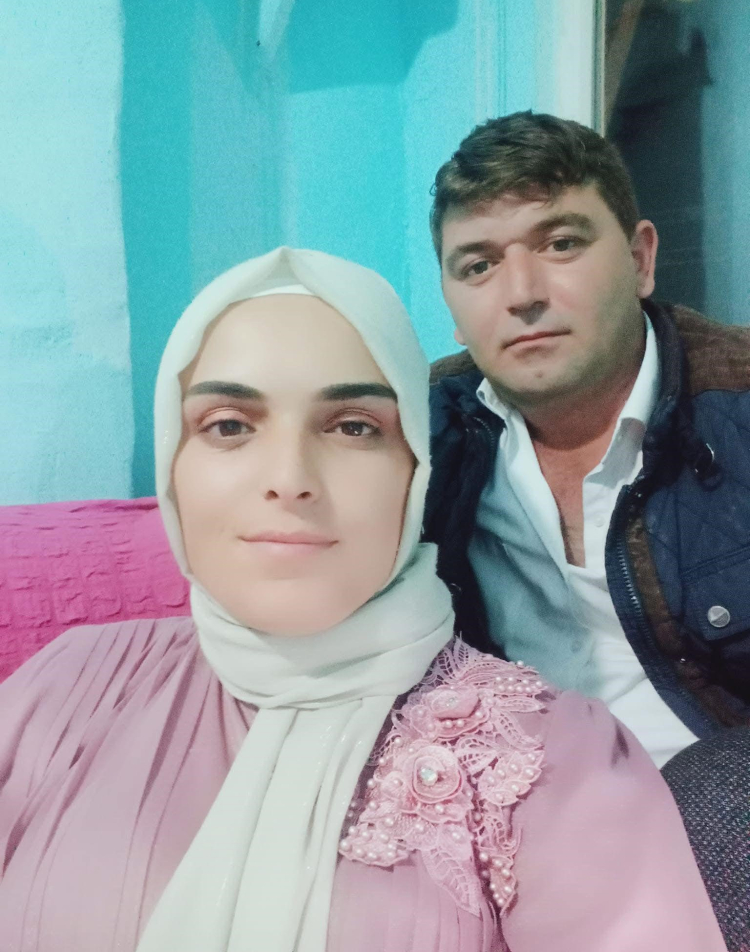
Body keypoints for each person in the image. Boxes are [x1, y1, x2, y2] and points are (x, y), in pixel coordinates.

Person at [0, 247, 726, 952]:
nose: (289, 478)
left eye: (353, 427)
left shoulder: (550, 758)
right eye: (229, 426)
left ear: (415, 471)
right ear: (172, 465)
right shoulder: (65, 689)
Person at [425, 111, 750, 770]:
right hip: (510, 801)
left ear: (640, 259)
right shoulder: (422, 433)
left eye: (561, 244)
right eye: (479, 265)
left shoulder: (736, 405)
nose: (522, 295)